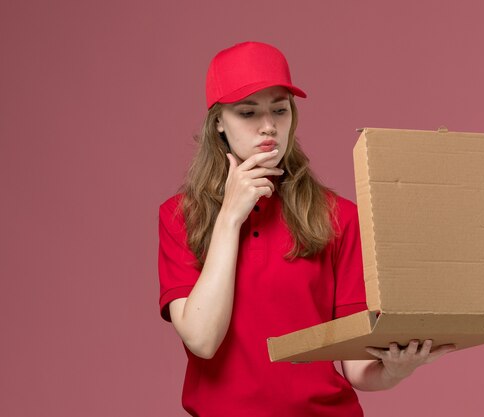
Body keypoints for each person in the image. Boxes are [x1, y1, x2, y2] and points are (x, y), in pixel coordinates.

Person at [158, 41, 455, 416]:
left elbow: (358, 368)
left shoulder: (337, 217)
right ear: (218, 121)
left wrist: (395, 369)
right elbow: (202, 339)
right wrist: (230, 217)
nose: (268, 126)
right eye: (248, 112)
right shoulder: (180, 217)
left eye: (279, 110)